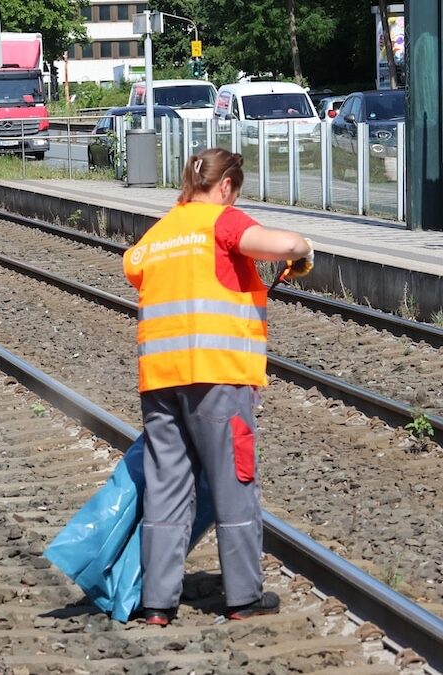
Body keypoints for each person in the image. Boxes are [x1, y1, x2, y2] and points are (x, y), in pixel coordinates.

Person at [123, 148, 314, 627]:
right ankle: (243, 597)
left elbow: (133, 266)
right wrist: (304, 249)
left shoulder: (163, 231)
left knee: (166, 489)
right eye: (236, 190)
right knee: (234, 485)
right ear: (225, 186)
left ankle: (158, 604)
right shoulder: (222, 222)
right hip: (218, 379)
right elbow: (281, 244)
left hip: (161, 384)